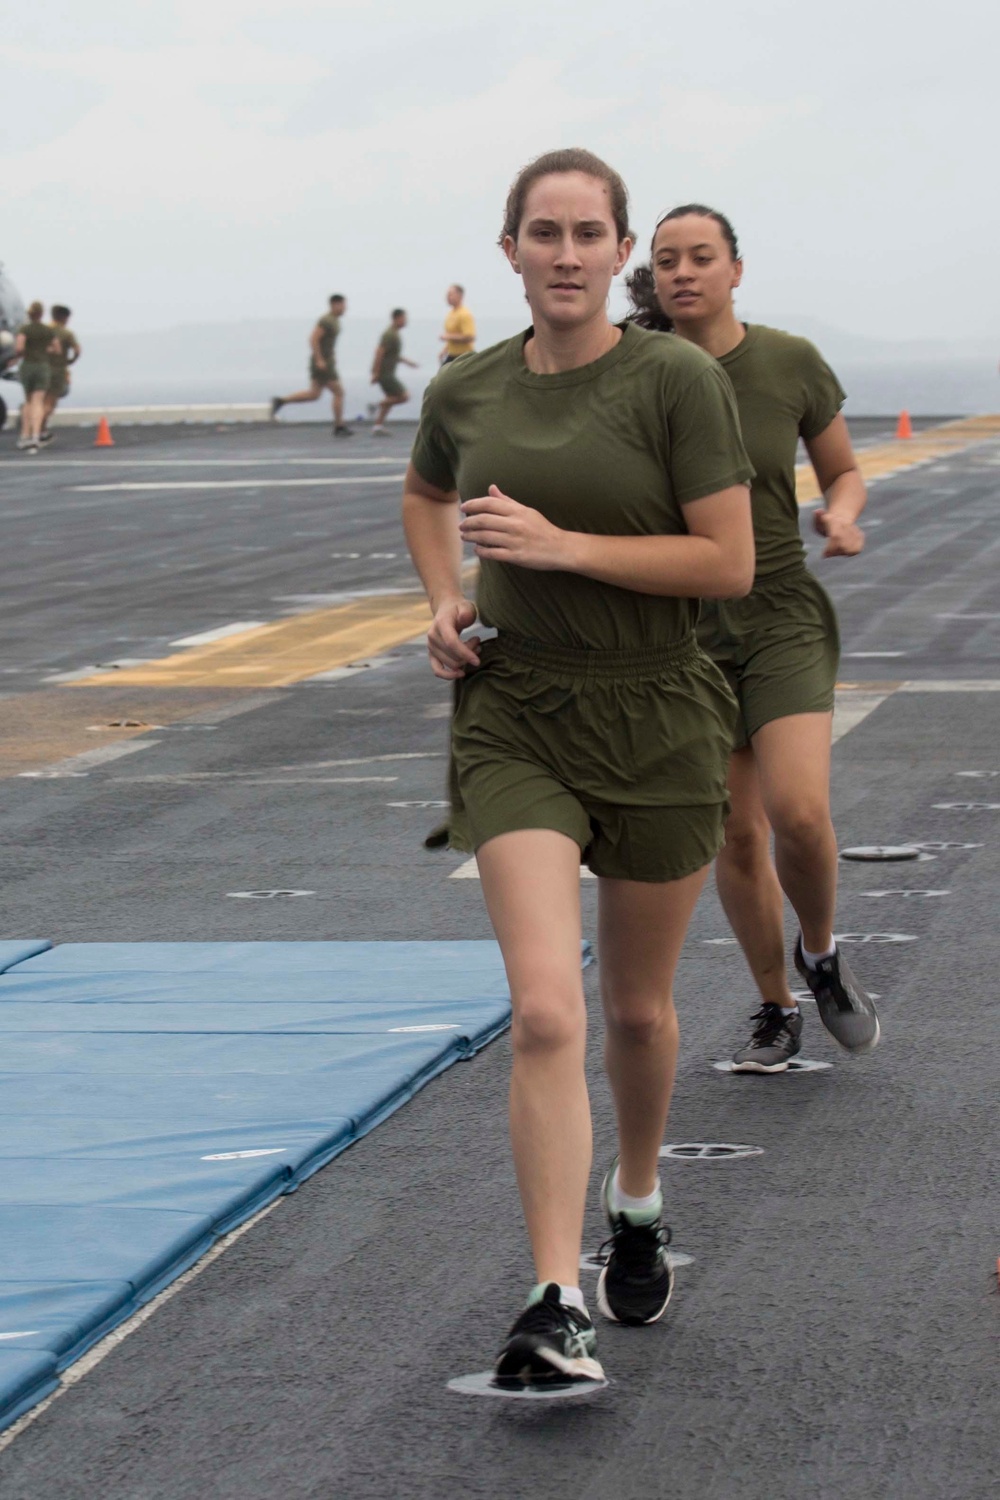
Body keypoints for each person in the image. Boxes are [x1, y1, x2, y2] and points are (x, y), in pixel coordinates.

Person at [402, 150, 754, 1387]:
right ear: (508, 250)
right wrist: (447, 599)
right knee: (547, 1007)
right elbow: (423, 490)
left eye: (587, 233)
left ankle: (640, 1199)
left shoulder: (673, 382)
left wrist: (562, 543)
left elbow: (726, 566)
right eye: (540, 232)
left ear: (619, 255)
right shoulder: (466, 385)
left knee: (636, 1013)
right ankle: (554, 1300)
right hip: (518, 715)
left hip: (657, 711)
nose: (563, 252)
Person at [627, 204, 880, 1073]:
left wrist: (840, 516)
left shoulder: (788, 362)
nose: (685, 272)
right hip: (685, 631)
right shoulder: (633, 372)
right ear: (653, 278)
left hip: (779, 613)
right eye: (668, 260)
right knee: (733, 836)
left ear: (737, 269)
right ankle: (776, 1004)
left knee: (798, 813)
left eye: (703, 257)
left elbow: (843, 468)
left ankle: (820, 953)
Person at [271, 295, 353, 435]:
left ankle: (281, 401)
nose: (345, 308)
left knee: (314, 394)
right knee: (339, 392)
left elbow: (327, 343)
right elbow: (313, 339)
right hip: (322, 364)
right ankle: (339, 426)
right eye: (343, 305)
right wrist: (319, 359)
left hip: (327, 362)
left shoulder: (335, 321)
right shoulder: (326, 320)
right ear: (335, 305)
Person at [14, 301, 56, 453]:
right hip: (42, 367)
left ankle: (24, 436)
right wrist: (44, 350)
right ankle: (36, 436)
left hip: (28, 366)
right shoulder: (47, 330)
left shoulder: (24, 329)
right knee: (38, 402)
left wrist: (23, 353)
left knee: (28, 402)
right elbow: (55, 348)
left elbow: (19, 347)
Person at [370, 309, 417, 435]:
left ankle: (378, 426)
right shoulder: (389, 334)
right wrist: (375, 372)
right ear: (397, 319)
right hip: (385, 374)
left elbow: (393, 355)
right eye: (404, 318)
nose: (405, 321)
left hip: (388, 372)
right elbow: (379, 353)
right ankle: (375, 405)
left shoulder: (394, 334)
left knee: (390, 398)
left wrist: (408, 362)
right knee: (404, 396)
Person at [41, 305, 81, 443]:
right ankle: (40, 430)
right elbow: (77, 350)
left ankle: (38, 430)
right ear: (64, 317)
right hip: (57, 371)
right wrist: (70, 361)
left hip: (41, 368)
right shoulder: (66, 333)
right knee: (49, 403)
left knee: (39, 401)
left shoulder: (44, 331)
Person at [439, 283, 476, 364]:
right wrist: (444, 350)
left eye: (450, 294)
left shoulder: (464, 314)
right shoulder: (451, 313)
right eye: (447, 295)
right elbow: (452, 336)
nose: (448, 297)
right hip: (452, 354)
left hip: (464, 355)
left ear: (460, 296)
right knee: (442, 375)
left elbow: (470, 337)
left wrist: (448, 336)